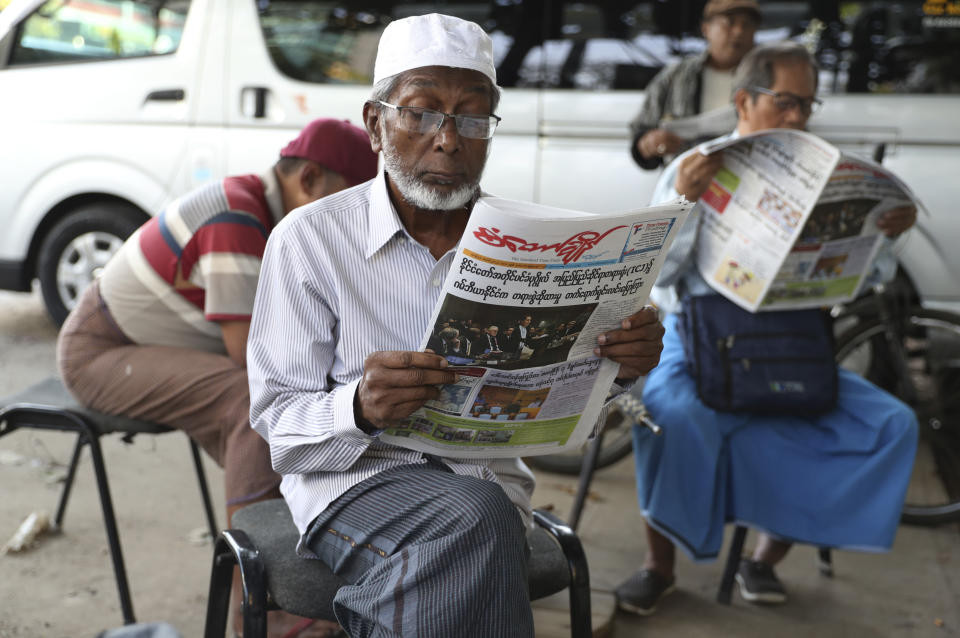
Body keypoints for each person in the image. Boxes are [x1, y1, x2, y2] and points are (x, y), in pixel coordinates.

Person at [247, 13, 666, 638]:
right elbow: (278, 428)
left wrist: (621, 366)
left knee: (479, 520)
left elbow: (568, 421)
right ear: (374, 124)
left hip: (493, 489)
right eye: (419, 112)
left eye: (473, 118)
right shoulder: (309, 240)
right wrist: (359, 408)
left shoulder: (536, 246)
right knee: (478, 523)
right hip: (353, 488)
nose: (448, 139)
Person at [614, 41, 919, 617]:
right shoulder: (697, 165)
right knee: (664, 416)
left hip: (790, 343)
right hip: (699, 333)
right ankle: (660, 566)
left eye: (807, 105)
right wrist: (684, 199)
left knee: (889, 425)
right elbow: (658, 275)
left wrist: (885, 235)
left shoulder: (823, 169)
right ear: (744, 101)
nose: (798, 117)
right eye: (786, 103)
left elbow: (855, 283)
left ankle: (764, 556)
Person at [56, 118, 377, 637]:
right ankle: (261, 610)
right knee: (254, 405)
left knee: (292, 427)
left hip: (162, 349)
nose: (354, 222)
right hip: (103, 352)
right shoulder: (238, 215)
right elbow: (254, 360)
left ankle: (302, 580)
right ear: (311, 179)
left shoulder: (278, 219)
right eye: (351, 203)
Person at [629, 0, 760, 170]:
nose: (739, 31)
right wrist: (650, 143)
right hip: (686, 187)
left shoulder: (765, 79)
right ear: (706, 29)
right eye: (730, 22)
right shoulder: (676, 76)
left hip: (747, 187)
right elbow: (640, 135)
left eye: (747, 25)